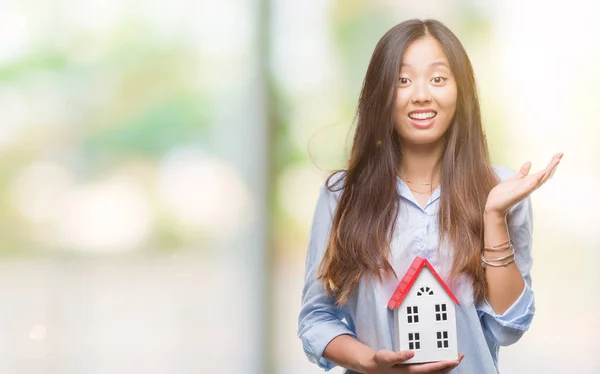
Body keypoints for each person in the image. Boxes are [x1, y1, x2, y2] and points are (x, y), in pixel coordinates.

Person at [297, 19, 562, 374]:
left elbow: (507, 327)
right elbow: (316, 319)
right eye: (403, 80)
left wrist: (494, 217)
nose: (421, 94)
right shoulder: (343, 196)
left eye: (438, 79)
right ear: (380, 94)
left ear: (461, 91)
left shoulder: (500, 189)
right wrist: (369, 361)